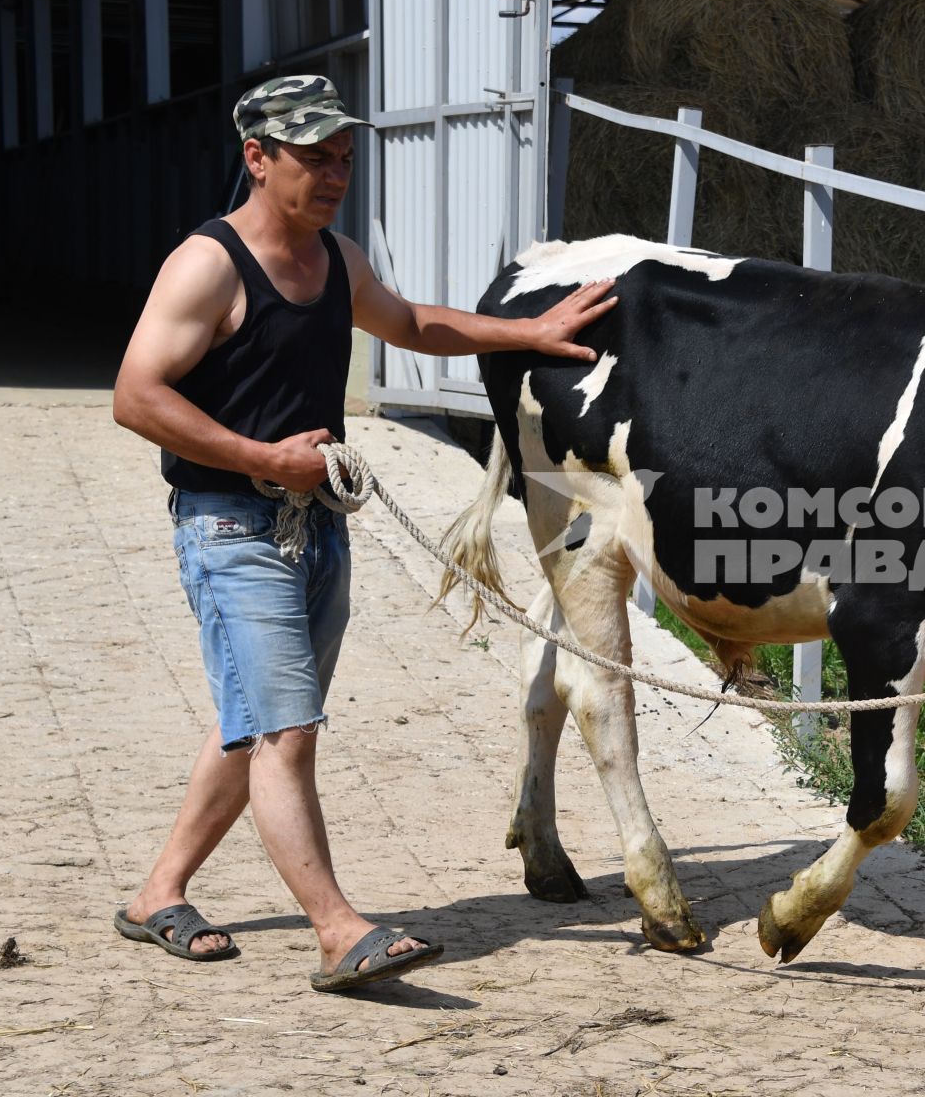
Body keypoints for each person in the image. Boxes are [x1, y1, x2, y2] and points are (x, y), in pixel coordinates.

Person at [110, 74, 616, 992]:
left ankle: (157, 894)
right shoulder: (208, 266)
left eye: (344, 156)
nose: (336, 172)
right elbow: (135, 396)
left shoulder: (335, 259)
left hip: (315, 529)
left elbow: (412, 322)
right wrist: (264, 457)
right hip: (231, 525)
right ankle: (339, 929)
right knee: (287, 731)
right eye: (314, 156)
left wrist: (526, 331)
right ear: (257, 159)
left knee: (256, 726)